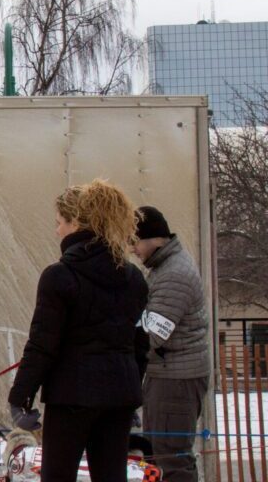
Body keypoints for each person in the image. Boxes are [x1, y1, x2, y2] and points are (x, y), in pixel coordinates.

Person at [8, 179, 149, 482]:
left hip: (71, 395)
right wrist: (132, 392)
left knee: (57, 476)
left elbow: (43, 345)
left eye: (59, 223)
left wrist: (20, 396)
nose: (57, 230)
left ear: (76, 224)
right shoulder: (135, 278)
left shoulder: (59, 276)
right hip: (119, 396)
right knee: (112, 477)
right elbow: (140, 344)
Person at [132, 206, 209, 482]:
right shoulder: (165, 267)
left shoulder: (173, 274)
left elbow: (151, 336)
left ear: (153, 238)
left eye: (134, 241)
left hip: (175, 381)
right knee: (160, 455)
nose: (132, 249)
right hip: (169, 376)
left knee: (170, 459)